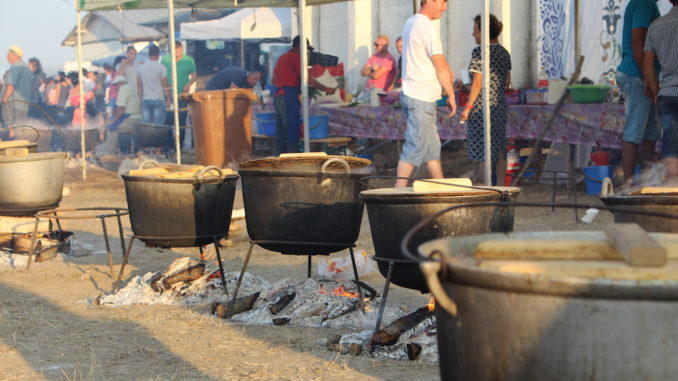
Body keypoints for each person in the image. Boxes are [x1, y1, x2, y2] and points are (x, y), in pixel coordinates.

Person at [395, 0, 456, 188]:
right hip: (421, 96)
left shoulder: (410, 22)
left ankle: (441, 187)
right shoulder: (427, 27)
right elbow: (440, 65)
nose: (445, 7)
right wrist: (451, 95)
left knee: (431, 148)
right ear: (429, 1)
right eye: (443, 2)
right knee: (415, 146)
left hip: (415, 93)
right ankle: (396, 191)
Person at [459, 14, 512, 186]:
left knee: (483, 152)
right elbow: (507, 82)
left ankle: (489, 187)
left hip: (481, 107)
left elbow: (477, 83)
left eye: (475, 30)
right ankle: (502, 188)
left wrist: (467, 107)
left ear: (484, 31)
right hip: (499, 106)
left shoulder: (480, 52)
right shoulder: (504, 53)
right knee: (498, 150)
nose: (473, 34)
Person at [617, 0, 661, 182]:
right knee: (634, 132)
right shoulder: (645, 3)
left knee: (651, 133)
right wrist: (647, 77)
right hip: (637, 75)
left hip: (642, 75)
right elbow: (638, 41)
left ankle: (646, 181)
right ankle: (628, 185)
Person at [272, 35, 337, 154]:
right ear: (298, 47)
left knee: (281, 132)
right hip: (288, 96)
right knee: (291, 130)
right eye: (305, 49)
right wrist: (326, 88)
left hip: (279, 95)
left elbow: (273, 80)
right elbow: (307, 78)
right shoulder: (295, 57)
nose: (306, 53)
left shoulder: (282, 57)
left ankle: (278, 159)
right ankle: (293, 159)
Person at [643, 0, 678, 182]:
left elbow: (647, 63)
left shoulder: (655, 26)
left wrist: (656, 91)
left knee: (671, 150)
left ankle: (672, 195)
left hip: (668, 94)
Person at [96, 75, 140, 155]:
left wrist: (113, 121)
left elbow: (121, 108)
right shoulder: (132, 88)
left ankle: (108, 152)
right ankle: (121, 151)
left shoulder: (123, 89)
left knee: (112, 129)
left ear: (119, 83)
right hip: (138, 118)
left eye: (116, 85)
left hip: (130, 119)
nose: (116, 87)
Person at [161, 41, 197, 128]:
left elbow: (194, 75)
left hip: (182, 96)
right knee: (168, 120)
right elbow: (162, 76)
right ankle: (169, 141)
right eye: (175, 51)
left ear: (182, 49)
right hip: (169, 95)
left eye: (179, 51)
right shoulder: (165, 59)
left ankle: (181, 140)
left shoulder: (188, 60)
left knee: (181, 120)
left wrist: (189, 84)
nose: (177, 54)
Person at [0, 45, 33, 138]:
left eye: (8, 55)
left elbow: (11, 85)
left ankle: (13, 140)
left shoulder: (15, 68)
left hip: (12, 102)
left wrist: (5, 98)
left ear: (14, 56)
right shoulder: (26, 69)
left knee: (11, 127)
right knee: (20, 126)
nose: (7, 58)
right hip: (24, 103)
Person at [137, 44, 171, 125]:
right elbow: (165, 85)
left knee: (146, 125)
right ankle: (158, 138)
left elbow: (139, 86)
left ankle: (147, 138)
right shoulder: (161, 68)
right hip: (159, 98)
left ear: (149, 54)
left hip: (146, 99)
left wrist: (140, 99)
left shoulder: (140, 68)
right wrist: (169, 99)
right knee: (159, 125)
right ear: (158, 55)